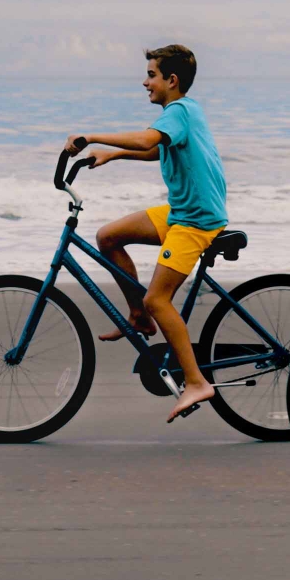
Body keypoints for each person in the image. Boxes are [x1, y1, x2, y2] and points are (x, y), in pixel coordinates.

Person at [64, 44, 228, 423]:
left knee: (160, 300)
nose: (145, 82)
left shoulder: (179, 111)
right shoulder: (183, 113)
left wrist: (92, 137)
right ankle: (138, 316)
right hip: (182, 211)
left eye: (151, 75)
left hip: (196, 220)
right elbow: (158, 149)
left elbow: (146, 140)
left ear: (171, 80)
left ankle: (196, 381)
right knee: (107, 237)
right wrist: (113, 155)